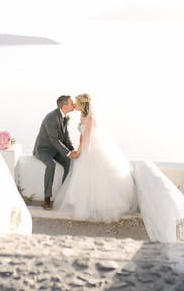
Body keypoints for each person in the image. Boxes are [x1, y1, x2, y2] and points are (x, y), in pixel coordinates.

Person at [55, 93, 136, 222]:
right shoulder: (82, 116)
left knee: (96, 178)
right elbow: (82, 136)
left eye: (77, 103)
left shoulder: (91, 119)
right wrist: (77, 148)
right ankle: (85, 204)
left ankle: (98, 206)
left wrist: (79, 151)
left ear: (83, 105)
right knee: (84, 178)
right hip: (83, 147)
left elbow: (87, 137)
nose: (75, 105)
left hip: (91, 149)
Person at [33, 95, 80, 210]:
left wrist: (72, 150)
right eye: (71, 103)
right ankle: (47, 200)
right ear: (64, 106)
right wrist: (68, 153)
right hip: (43, 149)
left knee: (69, 162)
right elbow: (54, 140)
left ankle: (63, 196)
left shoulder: (64, 117)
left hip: (55, 149)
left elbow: (66, 138)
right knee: (51, 165)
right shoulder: (51, 118)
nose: (74, 105)